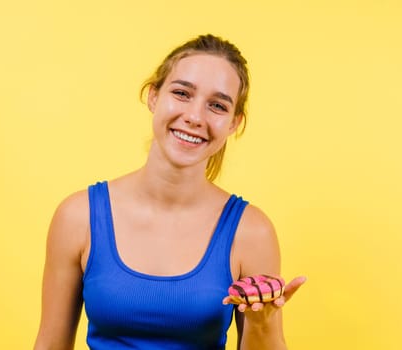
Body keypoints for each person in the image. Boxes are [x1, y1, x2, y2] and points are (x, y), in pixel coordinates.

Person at [33, 34, 306, 350]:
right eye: (181, 93)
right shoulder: (78, 217)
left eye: (217, 106)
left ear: (234, 123)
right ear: (153, 96)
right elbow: (50, 344)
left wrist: (262, 323)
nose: (194, 117)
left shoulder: (252, 232)